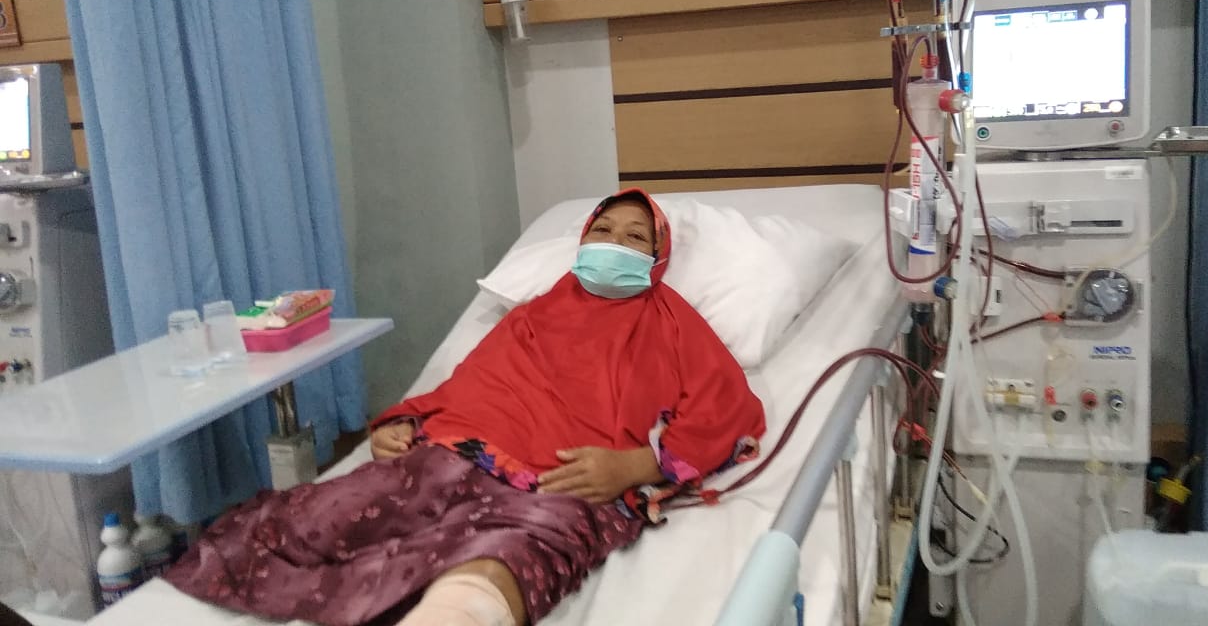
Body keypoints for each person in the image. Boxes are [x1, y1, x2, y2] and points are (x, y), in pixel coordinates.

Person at [164, 189, 766, 626]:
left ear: (658, 256)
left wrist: (637, 466)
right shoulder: (533, 315)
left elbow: (728, 410)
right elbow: (468, 387)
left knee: (509, 554)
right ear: (582, 241)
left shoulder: (674, 324)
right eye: (603, 230)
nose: (615, 243)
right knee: (322, 517)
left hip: (567, 484)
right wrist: (404, 423)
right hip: (458, 454)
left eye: (635, 237)